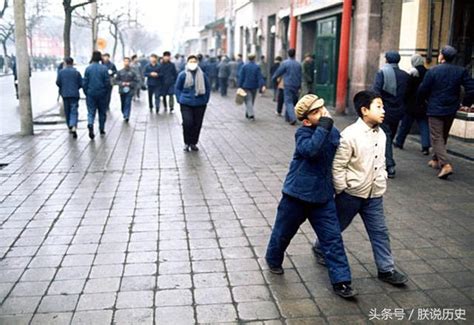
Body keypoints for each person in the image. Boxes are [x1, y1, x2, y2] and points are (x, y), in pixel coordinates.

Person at [312, 90, 408, 287]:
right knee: (337, 226)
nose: (383, 111)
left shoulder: (381, 134)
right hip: (351, 194)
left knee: (380, 231)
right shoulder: (350, 135)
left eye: (383, 107)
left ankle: (386, 269)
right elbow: (338, 165)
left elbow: (379, 162)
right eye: (378, 107)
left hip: (374, 194)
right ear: (364, 110)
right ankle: (320, 247)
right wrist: (343, 188)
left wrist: (381, 180)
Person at [266, 94, 356, 299]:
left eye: (322, 108)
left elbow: (341, 153)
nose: (323, 113)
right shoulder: (303, 133)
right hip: (296, 196)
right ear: (307, 120)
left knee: (332, 239)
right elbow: (311, 151)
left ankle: (342, 281)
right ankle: (273, 258)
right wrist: (323, 126)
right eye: (316, 112)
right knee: (282, 233)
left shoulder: (332, 132)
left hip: (322, 197)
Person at [418, 45, 474, 179]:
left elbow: (422, 89)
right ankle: (436, 159)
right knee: (443, 135)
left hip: (435, 108)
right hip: (451, 108)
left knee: (437, 137)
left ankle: (445, 164)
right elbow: (471, 88)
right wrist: (465, 103)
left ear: (442, 56)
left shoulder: (433, 71)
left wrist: (423, 102)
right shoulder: (461, 71)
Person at [373, 51, 409, 178]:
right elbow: (408, 94)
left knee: (386, 137)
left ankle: (389, 164)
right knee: (390, 135)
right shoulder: (405, 75)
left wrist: (377, 107)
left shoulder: (382, 72)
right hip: (399, 111)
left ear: (387, 60)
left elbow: (376, 91)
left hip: (385, 111)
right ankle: (384, 160)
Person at [394, 54, 430, 155]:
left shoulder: (412, 72)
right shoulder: (427, 72)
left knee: (405, 125)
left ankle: (399, 142)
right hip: (423, 103)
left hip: (411, 103)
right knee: (423, 125)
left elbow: (407, 89)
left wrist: (403, 100)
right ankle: (425, 146)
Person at [175, 55, 211, 152]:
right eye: (191, 61)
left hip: (200, 103)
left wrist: (205, 99)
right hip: (186, 103)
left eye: (194, 61)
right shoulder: (183, 75)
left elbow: (208, 88)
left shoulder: (202, 75)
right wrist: (179, 99)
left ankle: (193, 143)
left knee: (197, 124)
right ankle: (187, 142)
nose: (193, 63)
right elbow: (177, 88)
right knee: (187, 123)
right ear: (187, 62)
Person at [83, 50, 110, 139]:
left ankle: (90, 123)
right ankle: (101, 128)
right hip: (102, 93)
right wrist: (106, 91)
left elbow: (85, 82)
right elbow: (107, 82)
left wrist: (86, 92)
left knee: (91, 112)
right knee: (102, 112)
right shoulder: (104, 68)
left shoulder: (88, 68)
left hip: (91, 93)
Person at [272, 48, 302, 125]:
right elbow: (300, 75)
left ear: (288, 54)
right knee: (294, 101)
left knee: (288, 101)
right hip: (296, 85)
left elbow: (279, 72)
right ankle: (287, 117)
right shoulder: (298, 64)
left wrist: (274, 78)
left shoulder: (285, 63)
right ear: (294, 54)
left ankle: (292, 118)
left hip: (288, 84)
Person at [56, 57, 82, 138]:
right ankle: (73, 124)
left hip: (65, 94)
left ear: (65, 63)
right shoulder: (76, 72)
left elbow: (58, 82)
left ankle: (69, 126)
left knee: (67, 111)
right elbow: (81, 83)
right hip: (74, 94)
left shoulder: (61, 72)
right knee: (74, 110)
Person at [237, 53, 266, 120]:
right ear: (254, 58)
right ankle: (250, 114)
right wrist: (262, 85)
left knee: (248, 100)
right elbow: (260, 77)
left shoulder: (244, 66)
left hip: (246, 86)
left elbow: (241, 77)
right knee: (251, 100)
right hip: (254, 86)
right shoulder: (257, 67)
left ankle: (249, 113)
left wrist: (239, 86)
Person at [115, 57, 138, 122]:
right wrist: (121, 83)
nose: (126, 63)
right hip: (122, 90)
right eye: (125, 61)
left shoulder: (133, 72)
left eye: (127, 61)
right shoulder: (120, 72)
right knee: (123, 103)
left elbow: (136, 81)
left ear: (130, 62)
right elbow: (116, 80)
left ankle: (127, 115)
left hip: (130, 90)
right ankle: (124, 112)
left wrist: (130, 84)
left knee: (128, 102)